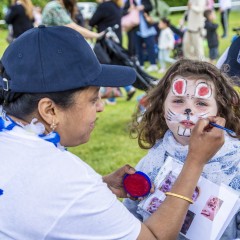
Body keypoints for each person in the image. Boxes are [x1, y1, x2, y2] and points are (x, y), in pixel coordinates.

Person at [0, 25, 225, 239]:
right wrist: (195, 160)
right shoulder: (66, 179)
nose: (101, 106)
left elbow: (35, 196)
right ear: (49, 110)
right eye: (93, 98)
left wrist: (100, 186)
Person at [123, 59, 240, 239]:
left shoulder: (236, 161)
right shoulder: (154, 157)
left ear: (219, 113)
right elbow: (131, 216)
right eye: (178, 100)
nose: (188, 109)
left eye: (201, 103)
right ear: (162, 108)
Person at [89, 0, 136, 103]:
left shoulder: (104, 6)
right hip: (116, 40)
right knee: (114, 65)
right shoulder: (116, 5)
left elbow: (92, 21)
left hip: (105, 42)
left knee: (107, 68)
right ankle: (128, 87)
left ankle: (112, 97)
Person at [122, 0, 158, 72]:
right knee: (138, 48)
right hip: (135, 29)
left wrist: (143, 7)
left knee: (150, 47)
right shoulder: (129, 2)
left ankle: (153, 64)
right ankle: (141, 65)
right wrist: (129, 10)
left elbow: (150, 7)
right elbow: (122, 12)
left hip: (147, 28)